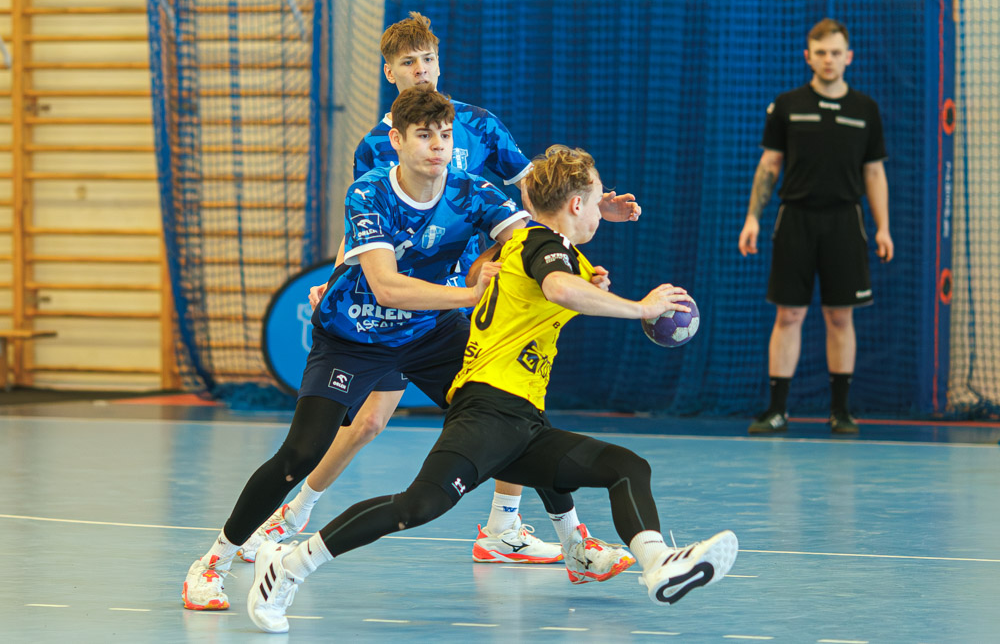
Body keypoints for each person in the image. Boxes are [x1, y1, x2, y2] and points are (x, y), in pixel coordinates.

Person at [246, 145, 739, 634]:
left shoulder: (538, 248)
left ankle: (658, 563)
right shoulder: (543, 245)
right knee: (418, 506)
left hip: (523, 421)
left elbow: (548, 280)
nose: (598, 211)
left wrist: (593, 272)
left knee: (627, 467)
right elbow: (559, 289)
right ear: (574, 205)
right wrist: (642, 308)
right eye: (593, 201)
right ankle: (288, 565)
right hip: (487, 412)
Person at [182, 89, 634, 612]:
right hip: (354, 335)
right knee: (300, 453)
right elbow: (387, 288)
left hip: (428, 333)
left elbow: (537, 238)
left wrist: (585, 222)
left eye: (444, 135)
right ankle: (213, 561)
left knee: (516, 415)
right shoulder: (369, 193)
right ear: (396, 140)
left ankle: (576, 545)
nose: (438, 145)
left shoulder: (473, 192)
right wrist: (468, 295)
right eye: (424, 135)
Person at [239, 11, 641, 566]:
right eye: (409, 62)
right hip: (398, 300)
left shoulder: (478, 126)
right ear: (390, 73)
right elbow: (361, 230)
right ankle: (289, 517)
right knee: (369, 422)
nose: (422, 70)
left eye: (428, 59)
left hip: (463, 299)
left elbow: (540, 193)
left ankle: (519, 529)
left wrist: (588, 215)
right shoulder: (375, 147)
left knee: (507, 406)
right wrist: (336, 282)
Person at [737, 18, 894, 435]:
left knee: (840, 317)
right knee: (788, 315)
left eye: (836, 52)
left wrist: (883, 227)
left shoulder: (865, 110)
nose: (829, 59)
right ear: (808, 56)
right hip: (796, 220)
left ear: (849, 57)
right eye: (821, 52)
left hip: (845, 222)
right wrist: (752, 217)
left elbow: (874, 173)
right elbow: (769, 165)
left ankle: (840, 411)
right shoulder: (787, 105)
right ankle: (776, 411)